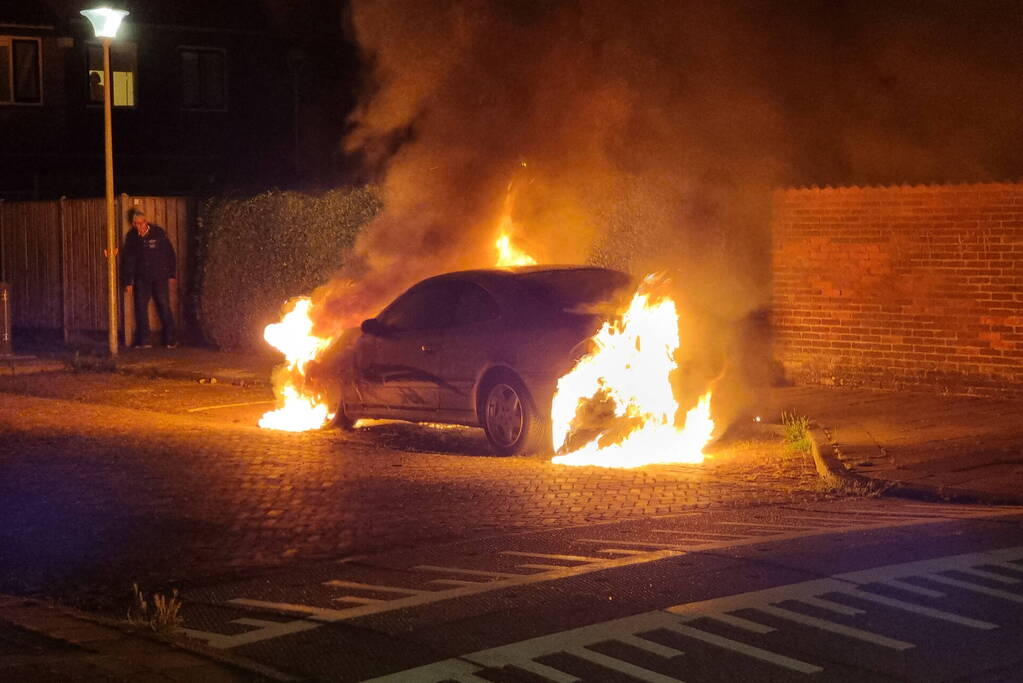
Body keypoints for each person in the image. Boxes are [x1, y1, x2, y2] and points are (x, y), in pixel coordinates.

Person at [122, 209, 177, 348]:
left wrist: (171, 273)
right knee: (140, 308)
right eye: (136, 224)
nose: (138, 226)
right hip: (142, 278)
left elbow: (170, 253)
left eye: (141, 223)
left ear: (146, 222)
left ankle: (170, 339)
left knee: (164, 306)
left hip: (159, 277)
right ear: (133, 224)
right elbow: (128, 260)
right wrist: (128, 281)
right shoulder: (131, 237)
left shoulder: (158, 233)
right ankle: (144, 340)